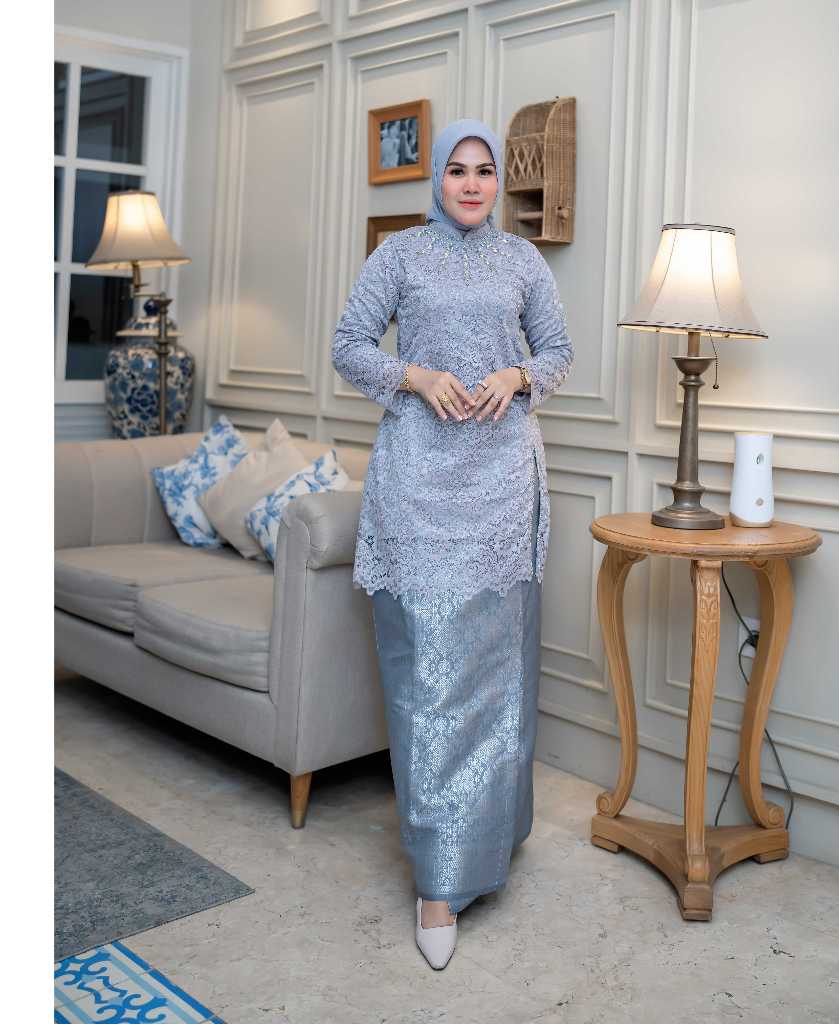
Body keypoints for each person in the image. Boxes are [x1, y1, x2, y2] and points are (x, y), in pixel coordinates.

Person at [331, 117, 573, 970]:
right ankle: (438, 879)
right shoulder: (398, 255)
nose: (472, 184)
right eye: (458, 170)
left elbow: (558, 350)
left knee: (496, 674)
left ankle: (490, 840)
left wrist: (518, 375)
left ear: (497, 181)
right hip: (418, 480)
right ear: (435, 177)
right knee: (426, 678)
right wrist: (414, 375)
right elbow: (348, 346)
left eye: (485, 171)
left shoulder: (523, 261)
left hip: (502, 482)